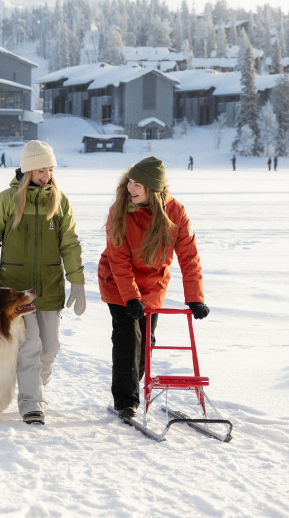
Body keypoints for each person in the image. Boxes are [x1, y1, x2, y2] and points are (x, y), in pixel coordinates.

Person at [0, 140, 85, 425]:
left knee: (50, 348)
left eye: (49, 169)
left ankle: (34, 383)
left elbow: (70, 243)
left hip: (49, 287)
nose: (46, 176)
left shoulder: (59, 201)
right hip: (17, 293)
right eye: (40, 170)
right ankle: (32, 404)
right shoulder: (7, 200)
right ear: (27, 171)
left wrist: (77, 281)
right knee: (30, 347)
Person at [97, 156, 208, 420]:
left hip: (152, 286)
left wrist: (195, 298)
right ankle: (126, 401)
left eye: (137, 185)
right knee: (128, 340)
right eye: (130, 182)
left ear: (153, 190)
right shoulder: (120, 211)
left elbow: (189, 256)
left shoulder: (176, 212)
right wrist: (131, 297)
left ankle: (132, 388)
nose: (130, 189)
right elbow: (119, 259)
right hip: (118, 283)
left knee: (147, 342)